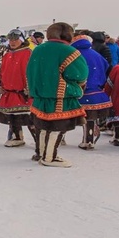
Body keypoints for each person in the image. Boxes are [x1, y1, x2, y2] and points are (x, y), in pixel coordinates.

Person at [26, 22, 88, 167]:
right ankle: (50, 157)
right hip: (60, 96)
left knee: (42, 125)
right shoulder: (70, 51)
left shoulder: (38, 49)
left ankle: (41, 153)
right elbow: (80, 74)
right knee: (57, 126)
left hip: (40, 96)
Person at [0, 29, 36, 147]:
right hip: (9, 92)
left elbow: (33, 72)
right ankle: (16, 137)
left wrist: (30, 89)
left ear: (21, 40)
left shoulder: (29, 52)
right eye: (11, 40)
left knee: (30, 119)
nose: (12, 42)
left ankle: (39, 141)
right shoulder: (6, 54)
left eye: (15, 39)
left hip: (24, 93)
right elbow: (1, 72)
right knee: (12, 117)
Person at [71, 34, 111, 149]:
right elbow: (106, 65)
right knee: (90, 118)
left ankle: (62, 137)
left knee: (66, 115)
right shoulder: (96, 54)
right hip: (97, 92)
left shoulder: (74, 55)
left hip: (80, 91)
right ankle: (89, 140)